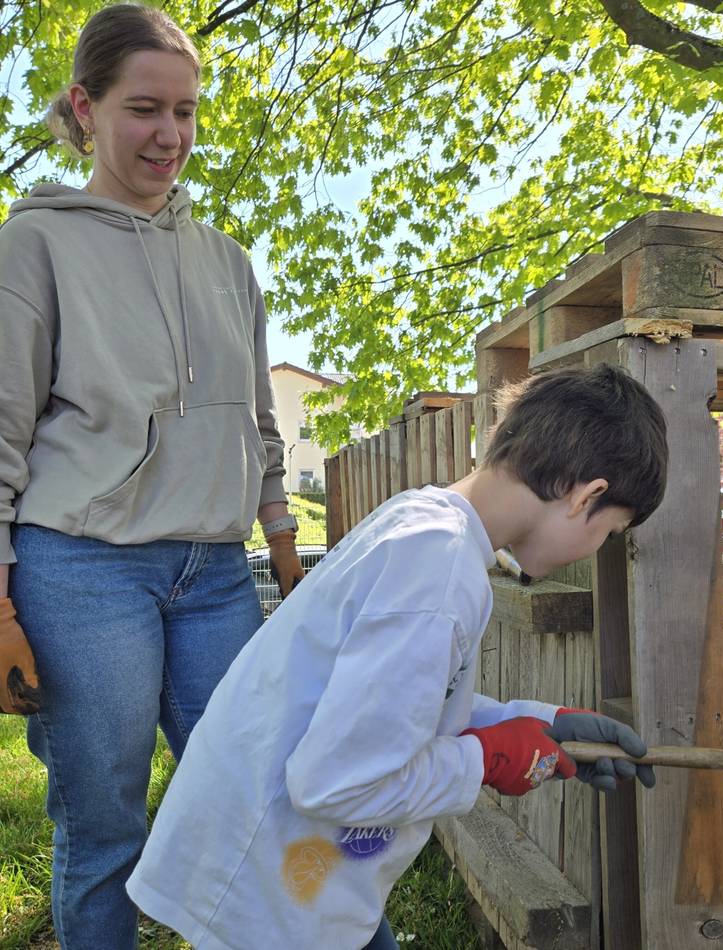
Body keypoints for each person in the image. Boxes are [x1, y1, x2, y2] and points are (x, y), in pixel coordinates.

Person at [126, 363, 669, 950]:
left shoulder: (425, 525)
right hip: (266, 886)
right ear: (587, 495)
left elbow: (393, 699)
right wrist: (482, 759)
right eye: (610, 532)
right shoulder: (439, 570)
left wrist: (534, 721)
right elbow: (337, 782)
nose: (598, 547)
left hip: (282, 866)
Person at [0, 6, 306, 948]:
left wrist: (287, 558)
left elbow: (259, 423)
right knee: (106, 833)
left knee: (263, 802)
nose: (169, 135)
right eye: (144, 109)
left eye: (186, 111)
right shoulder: (34, 242)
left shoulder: (229, 262)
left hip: (216, 574)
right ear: (85, 108)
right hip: (81, 572)